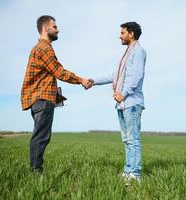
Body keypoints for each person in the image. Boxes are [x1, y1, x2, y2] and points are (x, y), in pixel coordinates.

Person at [21, 15, 89, 174]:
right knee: (41, 137)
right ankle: (36, 174)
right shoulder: (44, 48)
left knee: (40, 136)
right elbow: (59, 72)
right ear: (45, 28)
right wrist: (81, 80)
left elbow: (48, 76)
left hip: (40, 99)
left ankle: (35, 171)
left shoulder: (40, 48)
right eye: (55, 26)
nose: (58, 30)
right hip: (42, 99)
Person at [85, 22, 146, 183]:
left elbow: (137, 76)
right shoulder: (127, 53)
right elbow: (116, 75)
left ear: (131, 34)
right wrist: (94, 81)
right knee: (126, 139)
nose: (120, 35)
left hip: (131, 101)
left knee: (133, 139)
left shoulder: (138, 51)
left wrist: (123, 94)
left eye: (122, 33)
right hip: (123, 103)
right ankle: (128, 171)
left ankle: (136, 174)